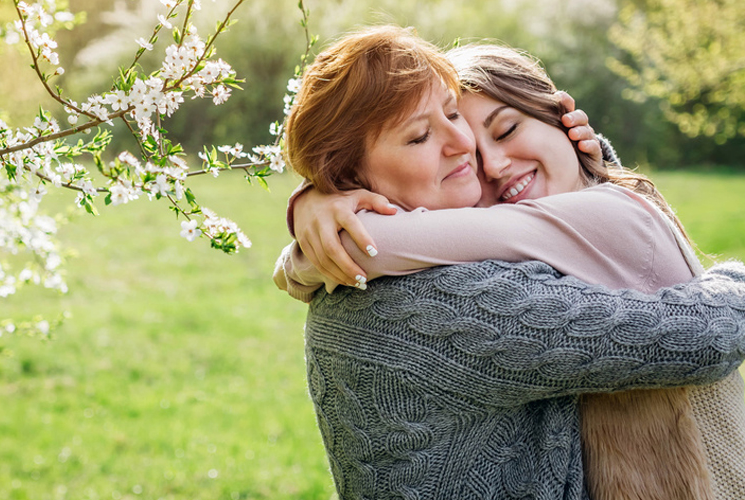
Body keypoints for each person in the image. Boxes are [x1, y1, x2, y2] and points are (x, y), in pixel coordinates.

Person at [275, 26, 745, 499]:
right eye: (419, 137)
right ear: (351, 179)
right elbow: (698, 336)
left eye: (453, 114)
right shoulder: (443, 300)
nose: (465, 146)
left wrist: (312, 212)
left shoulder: (395, 261)